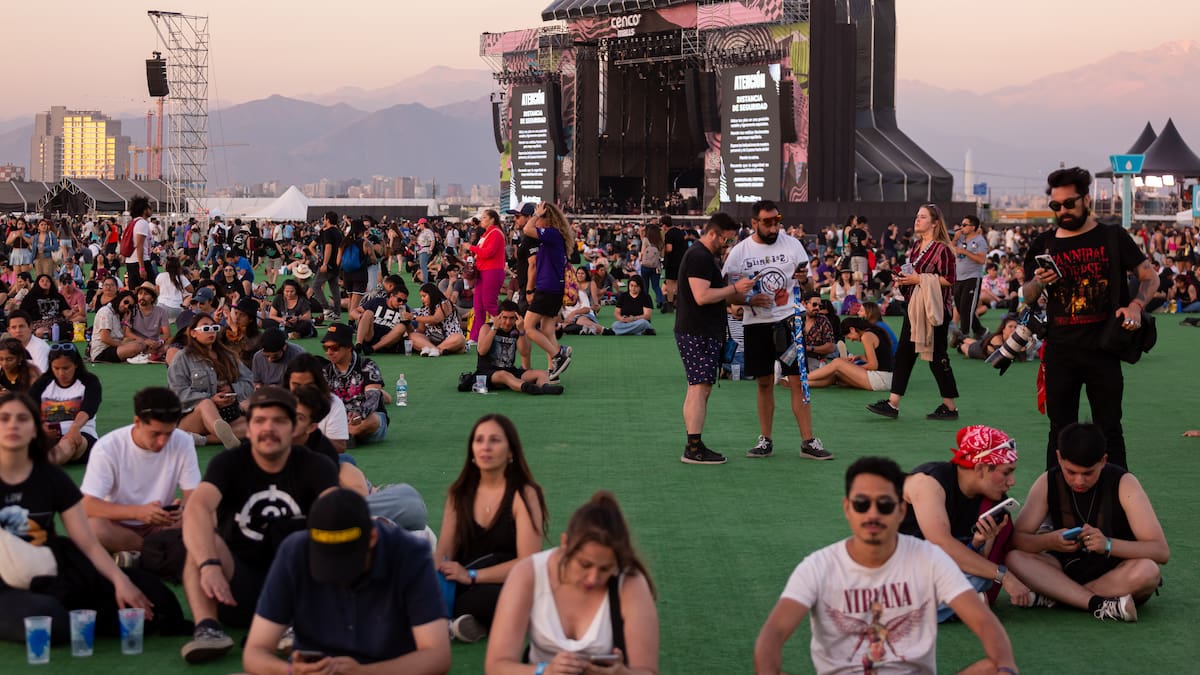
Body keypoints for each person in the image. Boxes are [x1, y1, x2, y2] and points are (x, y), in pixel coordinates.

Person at [753, 456, 1018, 675]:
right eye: (861, 504)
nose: (872, 514)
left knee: (996, 669)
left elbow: (985, 623)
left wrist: (1006, 668)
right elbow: (771, 636)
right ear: (847, 509)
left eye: (884, 504)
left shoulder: (929, 560)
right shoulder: (818, 566)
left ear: (901, 510)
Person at [179, 386, 339, 664]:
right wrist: (209, 564)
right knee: (203, 540)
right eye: (260, 421)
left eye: (279, 421)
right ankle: (208, 628)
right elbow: (197, 508)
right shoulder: (228, 463)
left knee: (323, 534)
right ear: (248, 429)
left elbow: (339, 513)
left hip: (298, 584)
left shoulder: (317, 465)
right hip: (235, 586)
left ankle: (295, 624)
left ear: (295, 429)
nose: (269, 428)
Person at [1021, 167, 1158, 471]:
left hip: (1104, 349)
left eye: (1070, 203)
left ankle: (1119, 500)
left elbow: (1150, 277)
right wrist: (1039, 282)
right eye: (1056, 206)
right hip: (1059, 350)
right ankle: (1056, 505)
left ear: (1086, 200)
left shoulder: (1112, 237)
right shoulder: (1043, 244)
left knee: (1109, 429)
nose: (1063, 211)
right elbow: (1027, 295)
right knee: (1059, 432)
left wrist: (1136, 304)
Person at [0, 390, 158, 646]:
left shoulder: (50, 477)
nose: (12, 425)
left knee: (149, 598)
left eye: (22, 419)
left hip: (50, 572)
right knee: (52, 621)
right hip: (5, 584)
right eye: (4, 418)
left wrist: (120, 581)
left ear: (34, 429)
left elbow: (87, 542)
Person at [243, 488, 451, 675]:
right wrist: (291, 671)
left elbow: (437, 657)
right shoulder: (295, 552)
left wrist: (364, 673)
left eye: (345, 562)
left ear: (372, 538)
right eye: (326, 561)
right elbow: (255, 651)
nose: (337, 575)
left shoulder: (410, 555)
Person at [1005, 422, 1168, 622]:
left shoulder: (1124, 483)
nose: (1079, 481)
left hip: (1115, 571)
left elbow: (1160, 551)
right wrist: (1050, 541)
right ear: (1058, 457)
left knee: (1148, 571)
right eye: (1071, 472)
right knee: (1014, 558)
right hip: (1063, 568)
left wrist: (1107, 544)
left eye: (1088, 473)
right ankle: (1097, 603)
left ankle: (1057, 597)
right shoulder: (1047, 481)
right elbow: (1017, 540)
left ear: (1103, 461)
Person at [486, 490, 658, 674]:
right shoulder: (528, 574)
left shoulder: (630, 582)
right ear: (565, 543)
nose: (593, 578)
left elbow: (647, 671)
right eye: (585, 564)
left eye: (605, 569)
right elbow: (497, 666)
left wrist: (621, 673)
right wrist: (546, 671)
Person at [722, 200, 832, 460]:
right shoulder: (740, 252)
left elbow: (810, 285)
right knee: (763, 383)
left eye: (777, 221)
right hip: (756, 325)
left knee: (798, 381)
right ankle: (765, 439)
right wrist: (748, 300)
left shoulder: (793, 244)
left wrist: (805, 282)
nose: (774, 227)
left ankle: (808, 441)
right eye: (768, 222)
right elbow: (729, 295)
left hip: (789, 324)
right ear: (754, 223)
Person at [899, 425, 1036, 622]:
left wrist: (981, 542)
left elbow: (972, 561)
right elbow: (940, 543)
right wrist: (1004, 576)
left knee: (982, 575)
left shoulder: (992, 501)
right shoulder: (929, 482)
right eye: (1006, 473)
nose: (1012, 481)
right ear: (980, 468)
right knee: (985, 574)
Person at [435, 414, 549, 643]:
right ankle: (463, 623)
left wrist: (472, 575)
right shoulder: (459, 493)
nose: (485, 447)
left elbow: (528, 563)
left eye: (495, 440)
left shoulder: (524, 494)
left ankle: (447, 622)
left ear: (510, 452)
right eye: (479, 440)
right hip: (462, 581)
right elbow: (443, 552)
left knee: (495, 599)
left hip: (508, 581)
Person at [866, 203, 961, 421]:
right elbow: (917, 274)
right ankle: (893, 403)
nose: (917, 220)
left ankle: (950, 407)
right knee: (905, 355)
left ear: (935, 223)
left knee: (937, 357)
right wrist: (904, 279)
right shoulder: (917, 246)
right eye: (917, 216)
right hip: (915, 307)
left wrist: (918, 279)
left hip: (934, 309)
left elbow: (950, 280)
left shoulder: (943, 249)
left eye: (923, 217)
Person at [674, 213, 755, 465]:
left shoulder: (702, 255)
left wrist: (743, 297)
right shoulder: (699, 256)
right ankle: (693, 447)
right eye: (726, 240)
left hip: (698, 330)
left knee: (697, 388)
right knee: (700, 388)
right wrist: (735, 289)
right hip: (698, 331)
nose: (727, 245)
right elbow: (702, 296)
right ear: (713, 234)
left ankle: (694, 442)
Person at [80, 388, 200, 556]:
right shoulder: (108, 448)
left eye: (169, 433)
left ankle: (140, 556)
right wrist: (139, 512)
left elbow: (193, 497)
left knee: (205, 513)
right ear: (137, 422)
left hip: (163, 524)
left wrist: (182, 510)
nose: (162, 441)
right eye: (155, 433)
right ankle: (158, 554)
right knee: (94, 528)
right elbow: (86, 505)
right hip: (117, 526)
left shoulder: (183, 441)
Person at [167, 313, 251, 450]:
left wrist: (232, 389)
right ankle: (223, 434)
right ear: (193, 333)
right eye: (206, 329)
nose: (211, 331)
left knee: (254, 423)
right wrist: (212, 399)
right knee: (206, 403)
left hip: (227, 414)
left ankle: (204, 439)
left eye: (215, 327)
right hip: (192, 416)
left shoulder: (228, 356)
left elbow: (248, 382)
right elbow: (177, 392)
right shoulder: (182, 358)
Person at [522, 202, 576, 378]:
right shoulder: (554, 236)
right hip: (553, 288)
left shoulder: (552, 234)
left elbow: (527, 229)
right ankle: (554, 369)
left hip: (548, 287)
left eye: (539, 217)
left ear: (547, 219)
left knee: (528, 326)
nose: (535, 220)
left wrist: (536, 214)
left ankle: (557, 355)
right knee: (547, 329)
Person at [29, 342, 102, 465]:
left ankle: (45, 464)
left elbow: (88, 410)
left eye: (66, 368)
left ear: (76, 365)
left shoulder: (90, 382)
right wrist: (40, 427)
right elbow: (29, 408)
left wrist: (74, 428)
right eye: (56, 368)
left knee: (70, 441)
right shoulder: (43, 383)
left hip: (80, 434)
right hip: (47, 435)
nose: (61, 373)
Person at [475, 301, 563, 395]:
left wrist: (521, 331)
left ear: (517, 318)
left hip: (510, 370)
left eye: (512, 318)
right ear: (498, 317)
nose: (508, 322)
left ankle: (545, 387)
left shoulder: (516, 330)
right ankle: (528, 388)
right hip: (488, 372)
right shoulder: (487, 328)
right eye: (504, 318)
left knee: (542, 373)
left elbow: (525, 352)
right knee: (504, 375)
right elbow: (482, 351)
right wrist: (494, 328)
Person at [321, 323, 389, 445]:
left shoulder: (367, 365)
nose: (329, 352)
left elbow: (373, 399)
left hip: (365, 418)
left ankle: (341, 437)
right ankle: (347, 436)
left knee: (372, 419)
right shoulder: (326, 371)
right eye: (326, 348)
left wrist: (359, 413)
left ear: (348, 347)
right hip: (339, 420)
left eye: (334, 348)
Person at [806, 317, 893, 392]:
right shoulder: (874, 331)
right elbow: (880, 359)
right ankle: (804, 383)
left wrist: (851, 368)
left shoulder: (866, 336)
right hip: (887, 379)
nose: (851, 340)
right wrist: (859, 357)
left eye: (848, 337)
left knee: (837, 362)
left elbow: (873, 365)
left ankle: (805, 377)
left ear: (852, 329)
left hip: (880, 379)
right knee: (837, 374)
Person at [286, 353, 350, 453]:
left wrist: (306, 438)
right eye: (296, 385)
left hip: (317, 457)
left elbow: (340, 446)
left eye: (308, 385)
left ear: (318, 383)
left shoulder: (333, 403)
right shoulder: (278, 401)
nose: (302, 390)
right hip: (281, 457)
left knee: (347, 460)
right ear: (287, 382)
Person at [467, 209, 506, 343]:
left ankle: (504, 329)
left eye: (484, 218)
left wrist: (471, 248)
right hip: (483, 271)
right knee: (478, 305)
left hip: (492, 271)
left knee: (489, 304)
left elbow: (489, 252)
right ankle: (475, 336)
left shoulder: (495, 233)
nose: (482, 220)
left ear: (492, 220)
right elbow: (482, 253)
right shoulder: (487, 234)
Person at [951, 215, 989, 340]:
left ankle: (964, 336)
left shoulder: (980, 241)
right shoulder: (960, 238)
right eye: (962, 224)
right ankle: (980, 330)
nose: (961, 227)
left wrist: (966, 252)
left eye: (964, 225)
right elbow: (950, 252)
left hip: (972, 278)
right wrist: (955, 240)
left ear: (972, 227)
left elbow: (982, 259)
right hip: (959, 278)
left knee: (967, 308)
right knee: (960, 308)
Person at [89, 292, 153, 364]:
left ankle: (135, 356)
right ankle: (136, 356)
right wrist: (123, 345)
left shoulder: (117, 313)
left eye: (130, 306)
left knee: (141, 342)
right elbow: (105, 338)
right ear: (120, 298)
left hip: (114, 347)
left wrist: (126, 321)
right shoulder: (106, 312)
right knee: (136, 346)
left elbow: (123, 335)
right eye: (126, 302)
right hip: (102, 352)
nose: (126, 306)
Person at [410, 283, 466, 357]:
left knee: (459, 338)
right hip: (431, 339)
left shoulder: (445, 304)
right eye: (421, 296)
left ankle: (435, 349)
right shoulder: (423, 310)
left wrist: (414, 317)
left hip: (449, 337)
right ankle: (437, 350)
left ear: (432, 295)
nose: (422, 299)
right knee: (412, 336)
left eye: (424, 296)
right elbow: (421, 330)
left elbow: (435, 319)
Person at [355, 283, 411, 354]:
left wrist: (409, 319)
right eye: (399, 300)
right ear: (391, 296)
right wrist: (361, 317)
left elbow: (408, 331)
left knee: (402, 327)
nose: (401, 303)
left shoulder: (403, 309)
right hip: (370, 334)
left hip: (386, 340)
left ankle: (372, 349)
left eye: (404, 301)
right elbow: (354, 312)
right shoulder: (378, 301)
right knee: (368, 313)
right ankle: (358, 344)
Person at [311, 211, 344, 322]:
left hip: (328, 264)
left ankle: (326, 308)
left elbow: (328, 247)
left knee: (315, 286)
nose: (323, 221)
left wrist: (324, 263)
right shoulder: (338, 233)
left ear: (328, 220)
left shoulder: (328, 232)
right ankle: (337, 313)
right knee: (334, 289)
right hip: (336, 264)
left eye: (324, 219)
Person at [18, 273, 70, 340]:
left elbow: (65, 310)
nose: (45, 283)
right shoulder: (30, 297)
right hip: (39, 324)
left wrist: (72, 311)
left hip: (57, 323)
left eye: (47, 281)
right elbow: (23, 313)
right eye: (42, 281)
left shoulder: (58, 296)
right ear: (37, 283)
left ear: (51, 283)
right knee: (42, 332)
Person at [129, 281, 172, 362]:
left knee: (171, 343)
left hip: (154, 344)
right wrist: (144, 341)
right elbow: (127, 333)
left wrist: (159, 342)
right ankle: (152, 355)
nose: (142, 296)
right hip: (137, 342)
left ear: (152, 298)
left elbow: (167, 333)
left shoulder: (161, 311)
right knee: (127, 342)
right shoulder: (132, 310)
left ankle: (148, 354)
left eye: (146, 294)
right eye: (140, 293)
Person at [124, 196, 156, 288]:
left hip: (131, 260)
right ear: (144, 210)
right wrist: (142, 267)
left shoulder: (133, 222)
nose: (151, 210)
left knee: (134, 290)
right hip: (141, 261)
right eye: (149, 208)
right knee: (149, 289)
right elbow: (139, 245)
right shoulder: (142, 223)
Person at [661, 215, 686, 313]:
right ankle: (680, 302)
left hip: (672, 262)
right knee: (679, 283)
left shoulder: (669, 234)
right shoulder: (680, 232)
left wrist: (663, 248)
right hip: (682, 261)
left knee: (670, 283)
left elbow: (669, 248)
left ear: (664, 225)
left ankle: (670, 303)